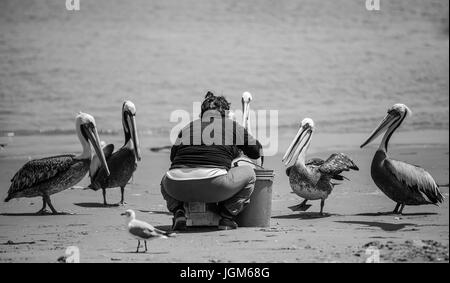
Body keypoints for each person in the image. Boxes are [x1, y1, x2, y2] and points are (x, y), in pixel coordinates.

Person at [160, 91, 263, 230]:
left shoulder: (187, 127)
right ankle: (226, 217)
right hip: (214, 186)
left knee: (165, 178)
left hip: (176, 187)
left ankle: (179, 213)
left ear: (202, 113)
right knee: (250, 174)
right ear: (225, 113)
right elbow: (256, 152)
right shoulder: (231, 125)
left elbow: (173, 157)